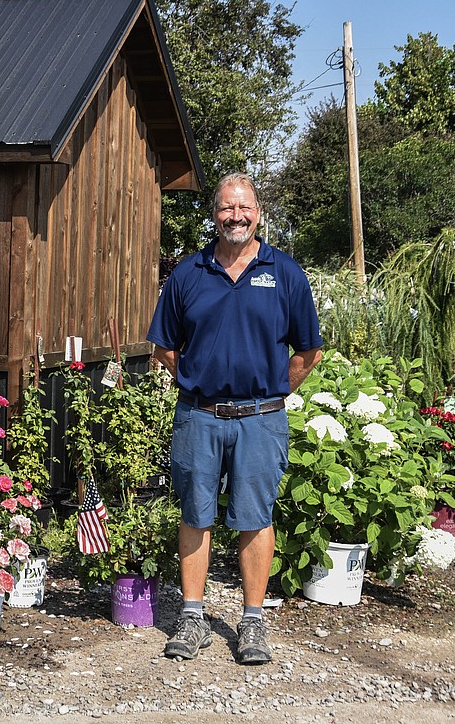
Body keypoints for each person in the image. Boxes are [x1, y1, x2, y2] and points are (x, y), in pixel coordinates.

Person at [147, 172, 322, 665]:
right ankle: (192, 617)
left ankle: (252, 623)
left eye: (244, 208)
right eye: (227, 208)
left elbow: (309, 352)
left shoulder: (284, 272)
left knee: (255, 517)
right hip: (199, 416)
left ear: (258, 213)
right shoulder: (188, 274)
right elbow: (163, 347)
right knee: (195, 515)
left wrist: (270, 394)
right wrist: (199, 377)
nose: (236, 216)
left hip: (261, 420)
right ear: (214, 214)